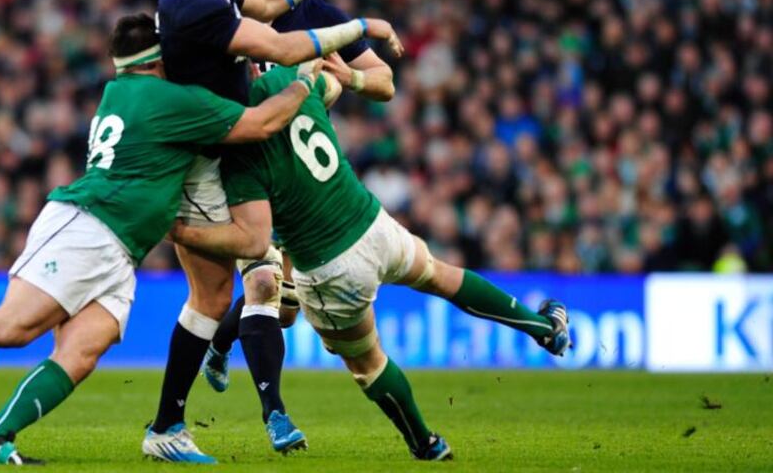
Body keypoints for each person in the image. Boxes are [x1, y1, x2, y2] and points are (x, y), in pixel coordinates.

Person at [0, 14, 323, 465]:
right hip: (88, 225)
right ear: (156, 59)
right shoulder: (167, 100)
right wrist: (303, 79)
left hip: (119, 246)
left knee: (85, 348)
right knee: (11, 328)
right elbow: (261, 122)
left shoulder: (125, 91)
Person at [169, 64, 572, 461]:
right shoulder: (290, 81)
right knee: (441, 276)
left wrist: (183, 232)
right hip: (374, 224)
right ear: (254, 72)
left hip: (331, 268)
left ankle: (425, 443)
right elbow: (332, 87)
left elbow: (255, 238)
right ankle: (544, 328)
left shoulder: (238, 158)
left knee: (369, 363)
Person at [146, 0, 404, 462]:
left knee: (251, 299)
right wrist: (352, 38)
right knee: (257, 280)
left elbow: (272, 9)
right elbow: (283, 49)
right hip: (223, 160)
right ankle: (271, 415)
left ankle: (197, 379)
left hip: (282, 170)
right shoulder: (202, 8)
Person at [202, 0, 398, 398]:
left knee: (285, 309)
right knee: (267, 286)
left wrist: (345, 78)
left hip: (305, 175)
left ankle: (220, 343)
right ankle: (276, 415)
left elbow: (385, 82)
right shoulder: (223, 18)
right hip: (247, 170)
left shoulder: (316, 15)